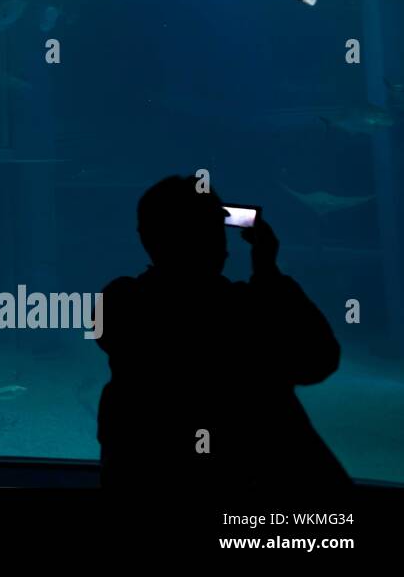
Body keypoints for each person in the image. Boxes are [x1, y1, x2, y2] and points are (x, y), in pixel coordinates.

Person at [97, 176, 349, 489]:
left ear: (145, 237)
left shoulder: (121, 301)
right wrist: (268, 271)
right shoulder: (251, 310)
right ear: (219, 239)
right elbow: (318, 361)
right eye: (215, 226)